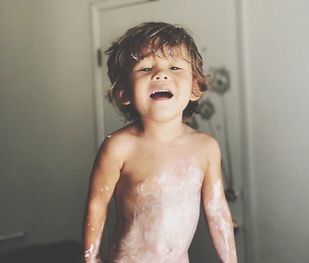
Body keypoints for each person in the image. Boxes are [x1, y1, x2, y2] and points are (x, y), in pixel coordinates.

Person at [82, 21, 237, 263]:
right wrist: (92, 259)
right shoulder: (119, 147)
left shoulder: (205, 148)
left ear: (195, 87)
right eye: (145, 69)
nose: (161, 73)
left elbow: (217, 211)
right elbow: (96, 205)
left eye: (175, 67)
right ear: (123, 91)